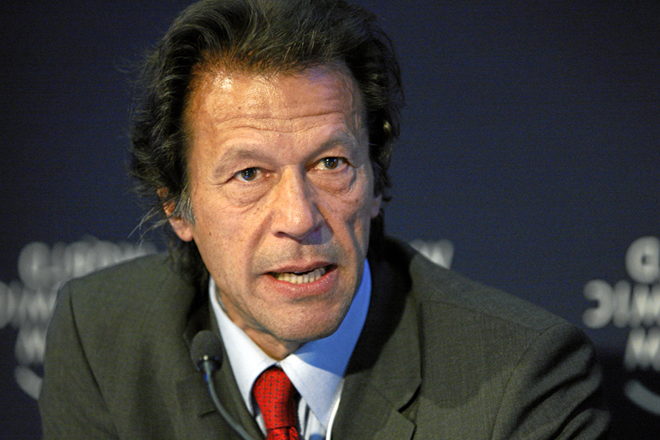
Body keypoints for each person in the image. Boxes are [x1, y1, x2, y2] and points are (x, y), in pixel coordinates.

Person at [39, 0, 610, 438]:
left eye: (331, 164)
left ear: (375, 180)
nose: (299, 217)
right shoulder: (98, 337)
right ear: (176, 205)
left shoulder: (519, 379)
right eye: (249, 174)